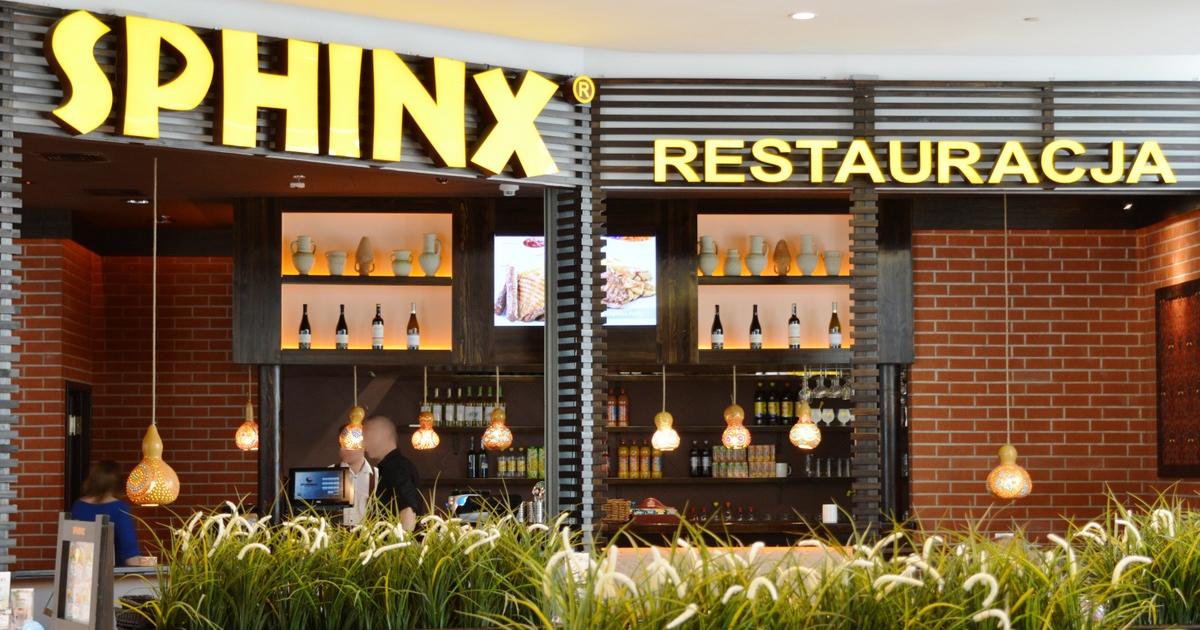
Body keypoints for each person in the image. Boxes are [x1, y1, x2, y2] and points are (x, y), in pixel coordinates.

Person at [70, 461, 149, 566]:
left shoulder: (78, 506)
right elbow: (130, 556)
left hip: (79, 571)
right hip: (112, 573)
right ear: (117, 484)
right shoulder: (119, 509)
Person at [362, 415, 422, 531]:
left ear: (381, 436)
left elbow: (409, 508)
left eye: (367, 437)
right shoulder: (388, 467)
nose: (363, 444)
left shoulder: (396, 467)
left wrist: (401, 541)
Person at [331, 446, 376, 526]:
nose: (345, 449)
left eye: (351, 444)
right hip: (334, 532)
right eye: (343, 445)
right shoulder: (329, 472)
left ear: (364, 446)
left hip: (367, 532)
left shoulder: (377, 475)